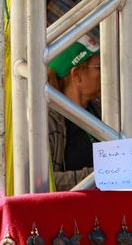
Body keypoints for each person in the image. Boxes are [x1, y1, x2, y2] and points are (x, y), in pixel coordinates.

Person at [47, 35, 101, 191]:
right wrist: (97, 177)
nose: (107, 73)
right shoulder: (48, 121)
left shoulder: (99, 110)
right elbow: (42, 181)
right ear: (77, 74)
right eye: (99, 67)